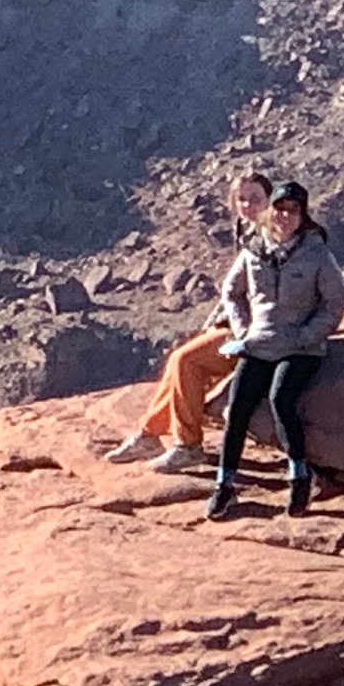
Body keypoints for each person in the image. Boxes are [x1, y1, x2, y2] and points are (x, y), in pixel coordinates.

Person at [105, 172, 274, 472]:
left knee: (187, 362)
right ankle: (149, 435)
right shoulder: (246, 230)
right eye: (242, 199)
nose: (248, 205)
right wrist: (216, 324)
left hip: (257, 334)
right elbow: (234, 292)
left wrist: (242, 332)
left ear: (270, 200)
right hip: (235, 324)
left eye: (256, 199)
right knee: (177, 363)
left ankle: (188, 446)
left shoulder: (270, 240)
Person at [211, 180, 344, 516]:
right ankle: (224, 485)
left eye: (293, 210)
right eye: (280, 209)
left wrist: (308, 335)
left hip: (301, 348)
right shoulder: (254, 249)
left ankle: (299, 478)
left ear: (303, 215)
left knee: (280, 400)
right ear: (271, 210)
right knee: (237, 407)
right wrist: (243, 331)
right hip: (259, 344)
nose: (285, 216)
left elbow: (335, 302)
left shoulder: (317, 254)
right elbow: (231, 292)